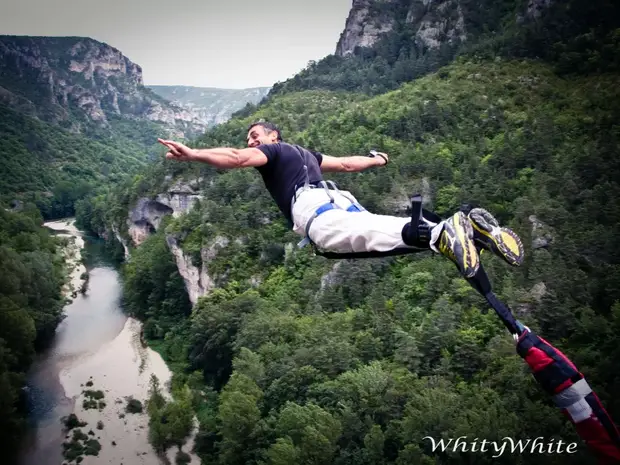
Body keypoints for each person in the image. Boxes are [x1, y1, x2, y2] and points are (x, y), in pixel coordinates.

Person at [158, 121, 524, 278]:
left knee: (339, 241)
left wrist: (193, 154)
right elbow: (348, 165)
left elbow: (235, 159)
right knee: (372, 230)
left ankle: (440, 235)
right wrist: (378, 159)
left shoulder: (273, 151)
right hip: (339, 199)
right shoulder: (307, 154)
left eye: (255, 135)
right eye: (250, 138)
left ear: (273, 134)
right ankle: (463, 230)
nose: (251, 141)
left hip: (312, 207)